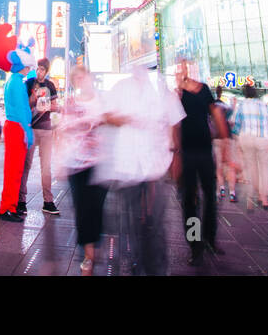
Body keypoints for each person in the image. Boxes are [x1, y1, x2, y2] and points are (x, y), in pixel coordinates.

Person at [98, 60, 183, 275]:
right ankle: (139, 263)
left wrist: (175, 155)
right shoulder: (121, 88)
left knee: (155, 222)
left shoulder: (163, 93)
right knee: (133, 222)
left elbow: (175, 123)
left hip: (155, 168)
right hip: (129, 168)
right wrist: (124, 119)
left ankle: (156, 268)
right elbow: (106, 115)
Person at [174, 62, 227, 266]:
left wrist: (225, 141)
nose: (182, 71)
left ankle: (210, 240)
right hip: (187, 152)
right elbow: (175, 123)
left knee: (210, 197)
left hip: (205, 151)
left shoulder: (203, 89)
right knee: (190, 200)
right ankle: (195, 244)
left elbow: (215, 113)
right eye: (179, 69)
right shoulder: (177, 94)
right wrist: (176, 154)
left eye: (184, 67)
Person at [59, 64, 109, 275]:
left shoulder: (103, 102)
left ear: (89, 77)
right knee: (81, 209)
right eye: (76, 79)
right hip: (75, 164)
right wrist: (60, 161)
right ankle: (87, 255)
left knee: (95, 209)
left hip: (99, 163)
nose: (80, 81)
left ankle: (91, 248)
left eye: (82, 76)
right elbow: (61, 131)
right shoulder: (70, 103)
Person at [19, 57, 61, 216]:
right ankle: (21, 201)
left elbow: (56, 107)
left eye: (42, 69)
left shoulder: (50, 86)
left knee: (46, 167)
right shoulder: (29, 84)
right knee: (26, 165)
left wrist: (48, 105)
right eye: (37, 69)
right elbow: (23, 105)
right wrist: (32, 99)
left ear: (47, 71)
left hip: (46, 129)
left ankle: (48, 201)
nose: (39, 72)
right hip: (31, 128)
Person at [0, 48, 35, 222]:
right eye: (28, 67)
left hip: (13, 126)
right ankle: (8, 208)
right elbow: (22, 110)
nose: (29, 70)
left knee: (14, 169)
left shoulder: (13, 81)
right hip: (17, 127)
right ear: (23, 66)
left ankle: (9, 206)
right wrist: (27, 131)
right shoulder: (17, 83)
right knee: (14, 169)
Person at [233, 84, 268, 210]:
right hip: (262, 138)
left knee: (251, 167)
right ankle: (264, 198)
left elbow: (236, 124)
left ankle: (253, 195)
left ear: (244, 94)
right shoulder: (263, 105)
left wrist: (235, 136)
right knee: (264, 168)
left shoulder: (242, 105)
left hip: (246, 138)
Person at [213, 86, 240, 202]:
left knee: (218, 166)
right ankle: (233, 193)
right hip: (227, 138)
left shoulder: (211, 106)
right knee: (230, 167)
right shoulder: (226, 107)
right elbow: (231, 119)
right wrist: (234, 104)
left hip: (216, 138)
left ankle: (221, 189)